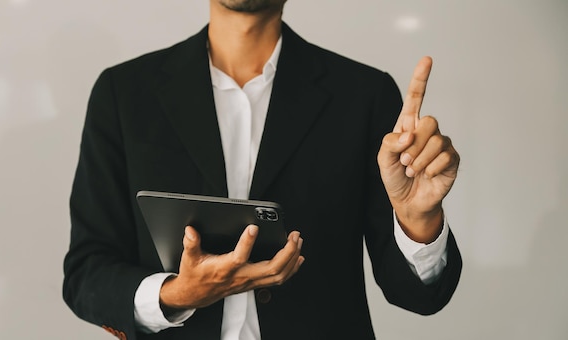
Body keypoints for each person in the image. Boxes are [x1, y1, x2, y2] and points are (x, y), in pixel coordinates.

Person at [63, 1, 463, 339]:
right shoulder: (124, 92)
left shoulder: (363, 94)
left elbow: (416, 295)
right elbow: (87, 273)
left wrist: (418, 220)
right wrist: (175, 294)